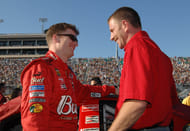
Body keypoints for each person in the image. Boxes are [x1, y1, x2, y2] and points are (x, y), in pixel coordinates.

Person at [20, 23, 117, 131]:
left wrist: (113, 89)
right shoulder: (41, 68)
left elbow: (83, 92)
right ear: (56, 38)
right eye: (72, 38)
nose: (76, 44)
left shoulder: (68, 73)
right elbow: (34, 121)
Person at [107, 7, 190, 131]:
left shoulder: (136, 47)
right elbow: (173, 103)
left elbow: (137, 103)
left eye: (112, 30)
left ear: (125, 25)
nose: (111, 37)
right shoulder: (161, 56)